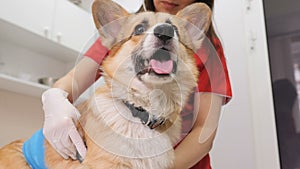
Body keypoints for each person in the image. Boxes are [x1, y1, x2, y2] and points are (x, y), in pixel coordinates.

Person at [41, 0, 232, 168]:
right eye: (140, 30)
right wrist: (54, 98)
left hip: (184, 163)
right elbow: (70, 82)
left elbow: (203, 132)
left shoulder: (210, 48)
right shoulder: (123, 28)